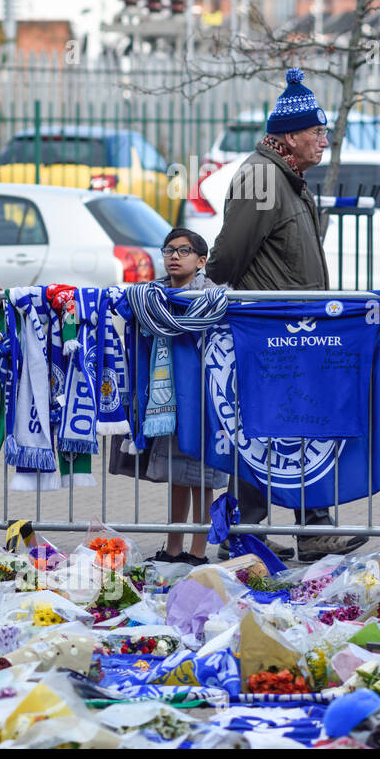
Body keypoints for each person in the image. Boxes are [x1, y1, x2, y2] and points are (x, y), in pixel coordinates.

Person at [205, 68, 366, 562]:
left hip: (296, 333)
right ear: (290, 137)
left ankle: (306, 528)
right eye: (318, 133)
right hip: (271, 333)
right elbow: (227, 258)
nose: (324, 141)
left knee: (300, 429)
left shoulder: (287, 178)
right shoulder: (261, 177)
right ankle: (248, 532)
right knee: (266, 433)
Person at [133, 229, 231, 566]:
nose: (174, 256)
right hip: (169, 395)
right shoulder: (153, 297)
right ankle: (173, 549)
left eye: (184, 251)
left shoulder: (215, 298)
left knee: (203, 478)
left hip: (204, 398)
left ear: (201, 261)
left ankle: (198, 552)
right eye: (169, 250)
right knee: (177, 476)